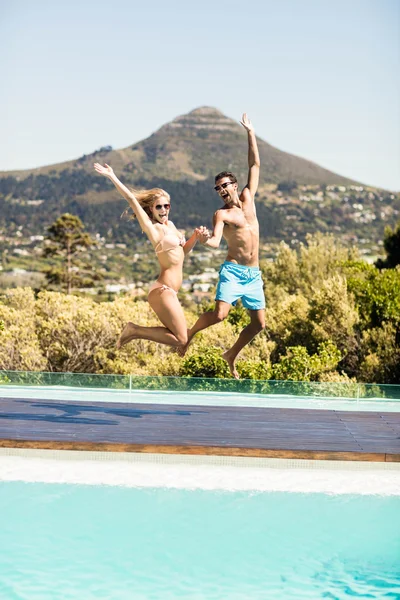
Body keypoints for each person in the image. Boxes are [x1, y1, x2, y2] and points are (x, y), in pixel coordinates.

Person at [179, 114, 266, 378]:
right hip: (233, 270)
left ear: (235, 185)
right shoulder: (222, 215)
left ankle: (230, 355)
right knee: (219, 316)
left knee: (259, 324)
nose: (221, 191)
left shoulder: (249, 198)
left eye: (224, 186)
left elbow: (255, 164)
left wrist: (250, 132)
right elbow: (216, 242)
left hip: (253, 274)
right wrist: (204, 238)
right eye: (217, 188)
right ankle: (189, 334)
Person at [94, 162, 208, 349]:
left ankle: (135, 331)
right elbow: (131, 199)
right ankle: (134, 330)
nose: (163, 210)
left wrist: (195, 237)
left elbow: (182, 253)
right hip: (162, 290)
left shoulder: (170, 226)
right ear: (151, 210)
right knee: (182, 340)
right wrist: (112, 176)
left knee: (182, 340)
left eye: (166, 206)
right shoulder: (153, 229)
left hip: (171, 292)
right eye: (159, 207)